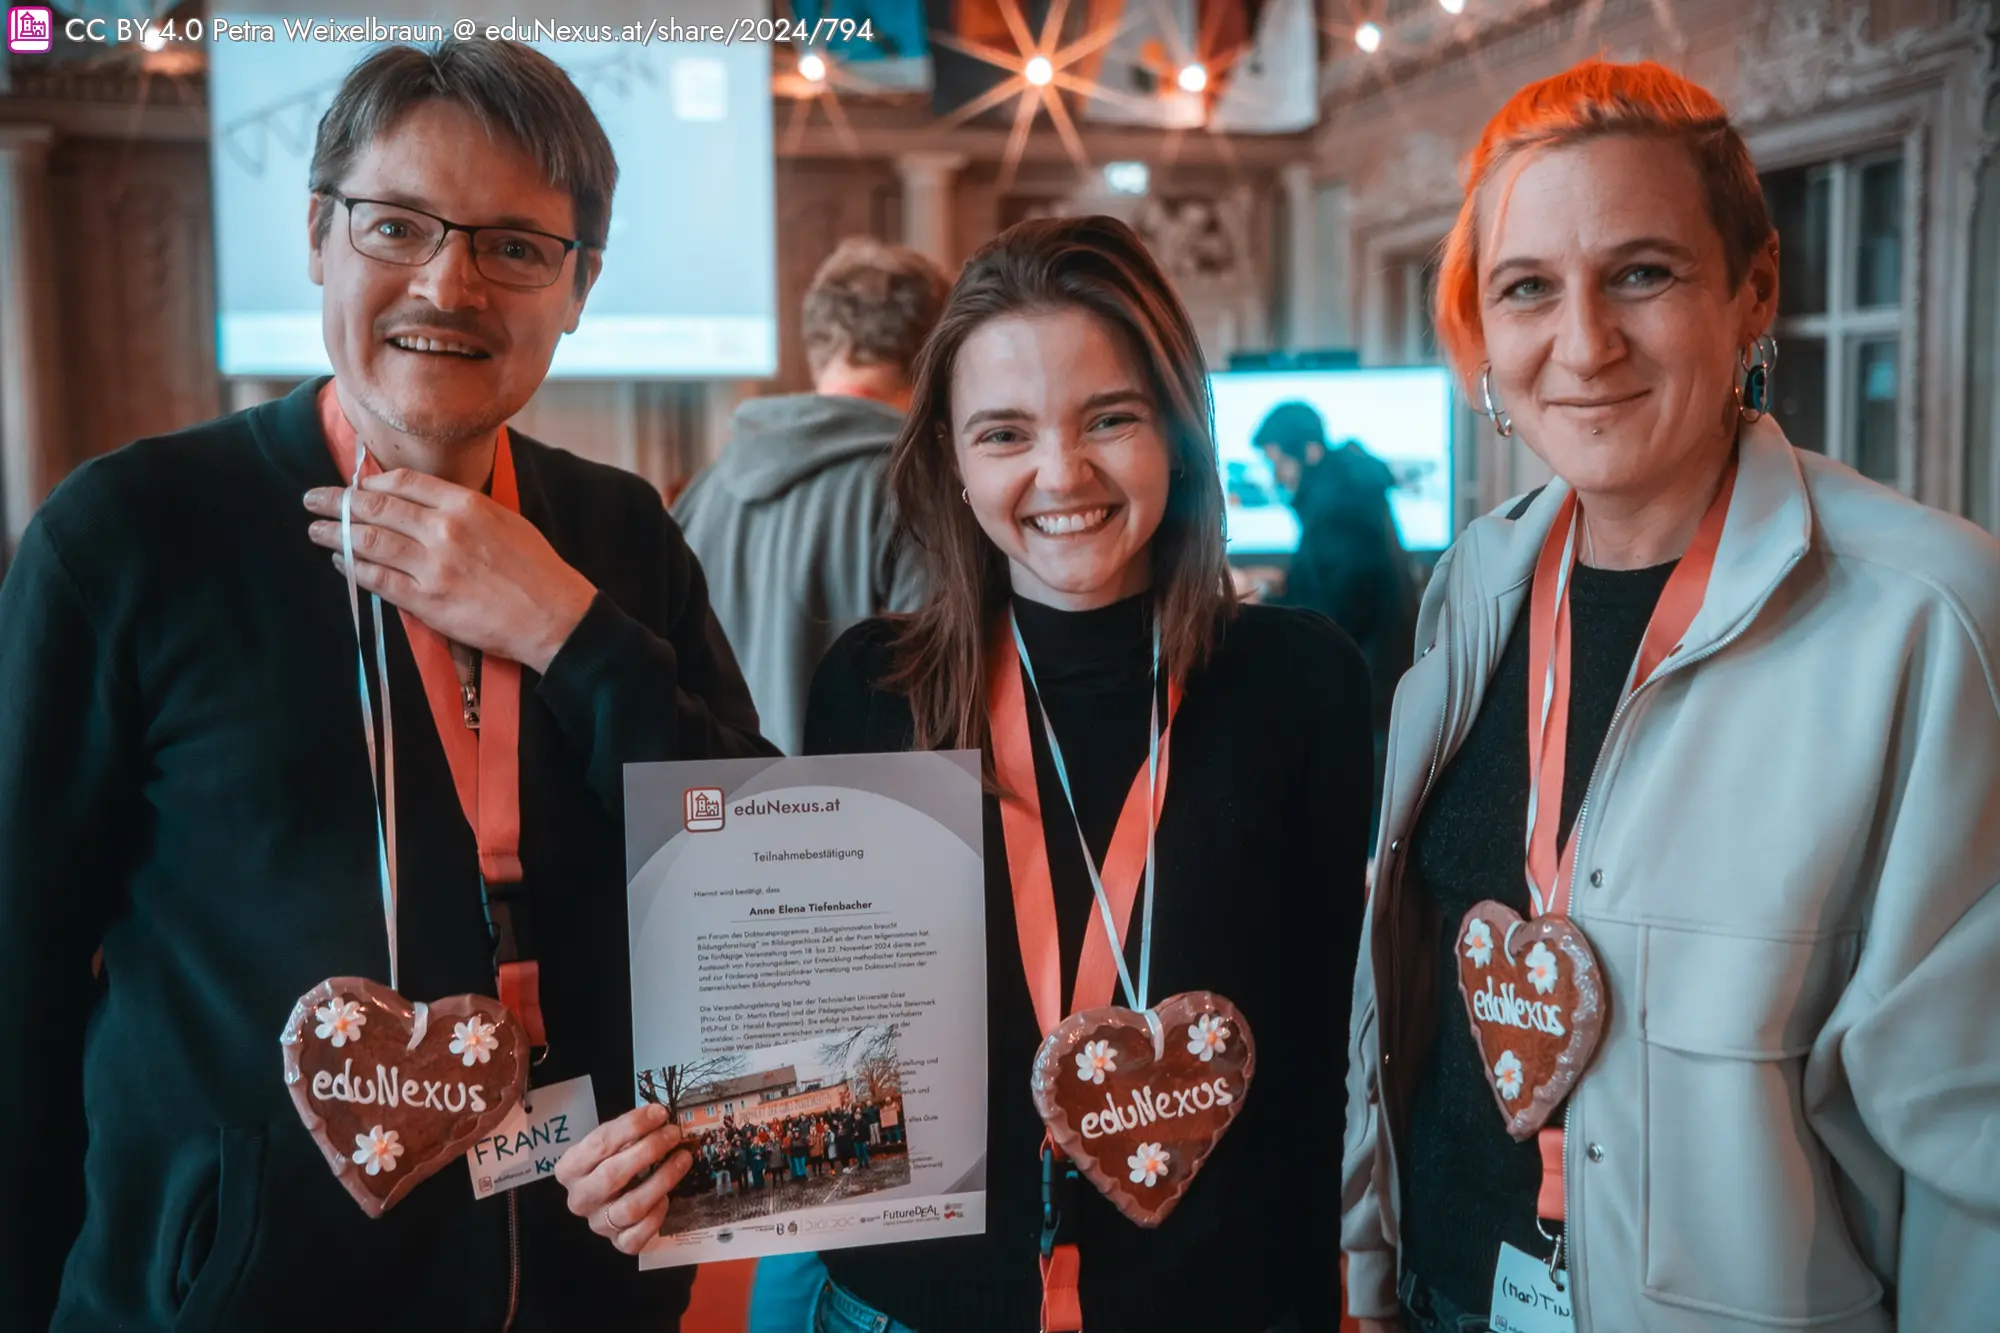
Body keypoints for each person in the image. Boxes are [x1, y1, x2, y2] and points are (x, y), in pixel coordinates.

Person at [0, 38, 775, 1333]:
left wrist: (571, 633)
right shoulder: (131, 534)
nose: (449, 282)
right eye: (398, 224)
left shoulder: (620, 536)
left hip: (583, 1291)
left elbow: (752, 883)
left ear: (578, 287)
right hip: (231, 1298)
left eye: (516, 247)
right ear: (317, 233)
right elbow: (19, 972)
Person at [1340, 59, 2000, 1333]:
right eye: (1527, 289)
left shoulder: (1925, 618)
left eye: (1640, 273)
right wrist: (1365, 1271)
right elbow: (1408, 1002)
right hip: (1444, 1292)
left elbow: (1971, 1159)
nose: (1581, 344)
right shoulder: (1474, 582)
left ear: (1752, 290)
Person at [803, 214, 1375, 1332]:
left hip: (1211, 1305)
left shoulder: (1298, 681)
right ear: (952, 464)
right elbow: (830, 1046)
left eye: (1107, 417)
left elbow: (1313, 1068)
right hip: (916, 1308)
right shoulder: (872, 688)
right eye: (1004, 433)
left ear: (1176, 429)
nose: (1060, 473)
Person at [674, 237, 947, 755]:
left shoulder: (704, 492)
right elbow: (938, 708)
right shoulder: (918, 488)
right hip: (862, 826)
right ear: (937, 353)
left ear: (818, 346)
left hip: (729, 820)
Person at [1255, 402, 1417, 810]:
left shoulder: (1338, 509)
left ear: (1308, 452)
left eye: (1279, 462)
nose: (1276, 476)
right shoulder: (1349, 489)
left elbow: (1331, 615)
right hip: (1377, 688)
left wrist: (1265, 606)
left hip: (1364, 696)